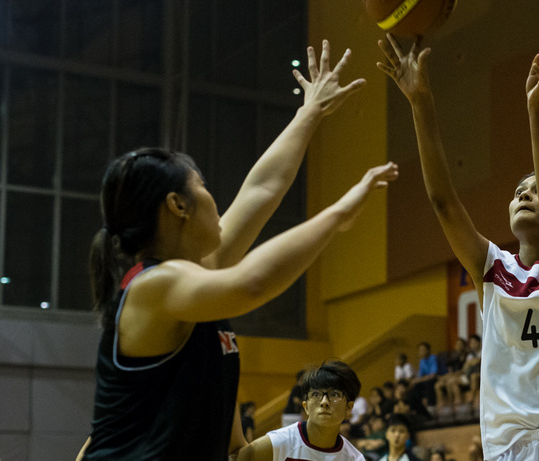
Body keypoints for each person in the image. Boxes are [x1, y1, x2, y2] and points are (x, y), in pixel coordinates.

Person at [76, 41, 399, 461]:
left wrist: (310, 112)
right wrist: (337, 214)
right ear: (178, 206)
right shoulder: (153, 286)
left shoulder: (195, 276)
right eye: (203, 188)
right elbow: (254, 282)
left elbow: (262, 189)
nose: (216, 201)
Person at [378, 36, 539, 460]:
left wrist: (534, 108)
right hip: (511, 447)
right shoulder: (490, 267)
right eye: (517, 192)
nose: (525, 196)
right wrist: (419, 101)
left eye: (534, 189)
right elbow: (443, 202)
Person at [238, 360, 365, 461]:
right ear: (306, 407)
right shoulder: (276, 444)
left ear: (349, 408)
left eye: (334, 394)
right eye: (316, 394)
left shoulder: (355, 458)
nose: (324, 402)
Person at [411, 342, 439, 408]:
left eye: (423, 350)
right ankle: (419, 406)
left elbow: (433, 375)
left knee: (429, 383)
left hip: (435, 379)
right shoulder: (422, 361)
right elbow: (421, 375)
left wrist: (421, 379)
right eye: (420, 350)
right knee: (415, 385)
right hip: (426, 380)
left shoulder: (433, 358)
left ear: (428, 350)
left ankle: (431, 406)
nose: (421, 352)